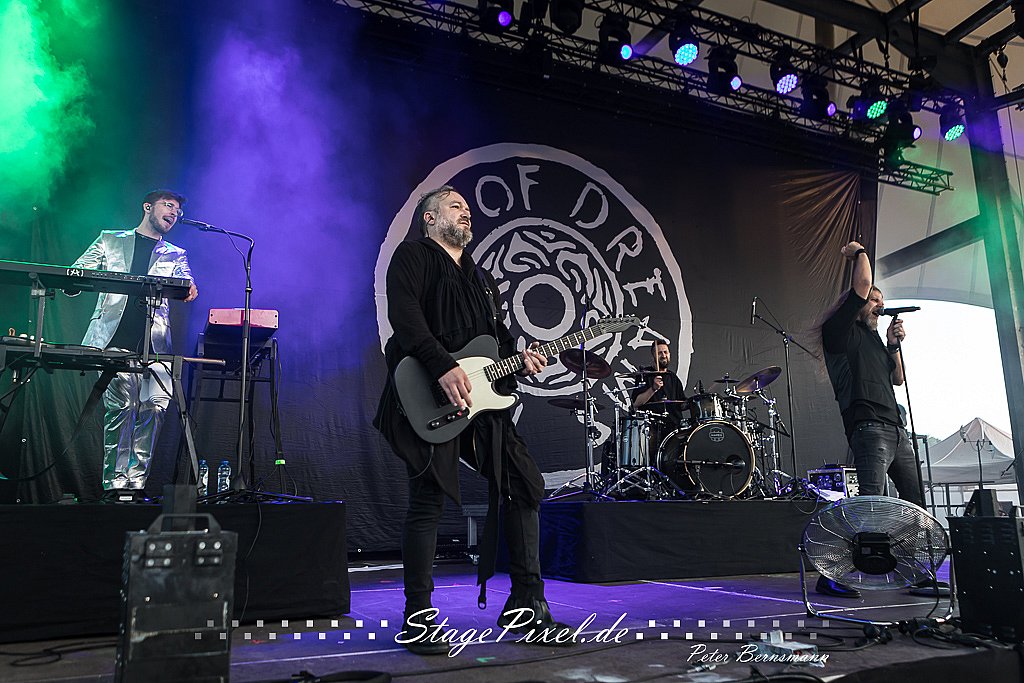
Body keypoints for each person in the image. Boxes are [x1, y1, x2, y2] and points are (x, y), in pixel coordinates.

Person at [373, 185, 573, 656]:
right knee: (427, 499)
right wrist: (441, 365)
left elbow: (495, 338)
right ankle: (418, 618)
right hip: (427, 389)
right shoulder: (413, 256)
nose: (466, 212)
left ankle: (528, 606)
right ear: (429, 217)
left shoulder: (481, 278)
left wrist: (521, 358)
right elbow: (406, 318)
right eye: (455, 205)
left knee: (524, 484)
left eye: (467, 207)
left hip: (481, 396)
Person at [71, 190, 198, 502]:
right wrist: (73, 283)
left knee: (155, 407)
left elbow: (186, 284)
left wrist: (189, 288)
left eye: (177, 210)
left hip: (155, 345)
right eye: (168, 205)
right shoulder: (110, 239)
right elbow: (79, 270)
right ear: (147, 207)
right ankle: (115, 485)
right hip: (114, 340)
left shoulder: (176, 254)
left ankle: (136, 485)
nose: (174, 212)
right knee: (123, 407)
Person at [818, 240, 924, 597]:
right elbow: (862, 285)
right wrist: (859, 252)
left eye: (881, 300)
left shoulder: (875, 341)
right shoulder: (839, 331)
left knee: (914, 502)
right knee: (871, 503)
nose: (879, 304)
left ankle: (916, 573)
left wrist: (893, 345)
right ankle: (832, 572)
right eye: (874, 300)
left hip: (896, 428)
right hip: (869, 426)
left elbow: (898, 378)